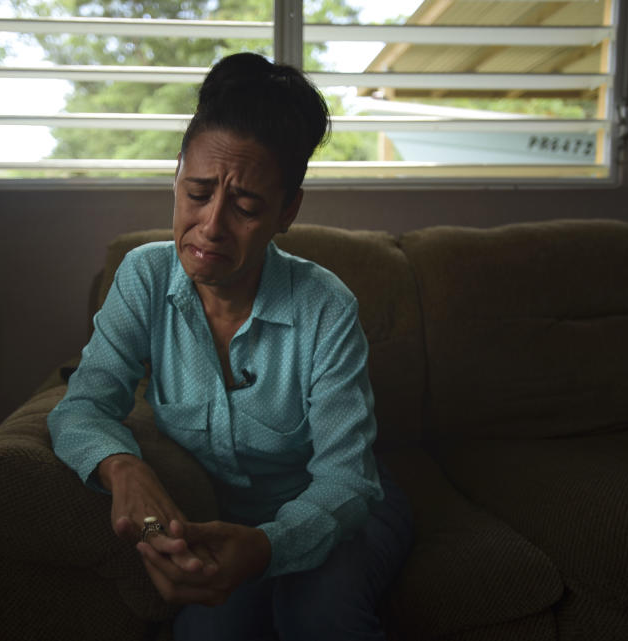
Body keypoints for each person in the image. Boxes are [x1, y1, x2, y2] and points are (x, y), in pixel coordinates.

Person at [48, 52, 413, 641]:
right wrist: (121, 467)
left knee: (316, 617)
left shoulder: (326, 307)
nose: (211, 226)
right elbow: (82, 404)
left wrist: (269, 546)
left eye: (245, 206)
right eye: (197, 193)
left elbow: (347, 481)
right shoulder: (144, 277)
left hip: (342, 510)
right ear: (175, 178)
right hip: (221, 518)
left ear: (287, 211)